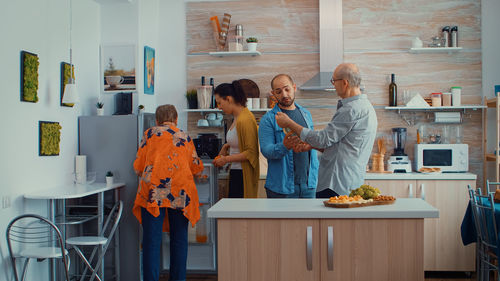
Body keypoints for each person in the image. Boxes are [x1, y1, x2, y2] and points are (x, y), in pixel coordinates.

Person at [275, 63, 377, 198]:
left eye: (334, 81)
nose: (333, 85)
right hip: (349, 181)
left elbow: (323, 139)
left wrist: (289, 123)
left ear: (345, 83)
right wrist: (312, 146)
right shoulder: (366, 107)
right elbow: (342, 146)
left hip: (336, 183)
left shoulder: (351, 109)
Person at [133, 104, 204, 281]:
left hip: (155, 192)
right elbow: (196, 167)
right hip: (180, 192)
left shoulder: (149, 134)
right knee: (179, 241)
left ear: (157, 120)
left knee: (151, 241)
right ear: (176, 120)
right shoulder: (184, 136)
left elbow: (138, 167)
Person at [258, 74, 319, 198]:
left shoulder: (306, 114)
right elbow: (266, 150)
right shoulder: (268, 119)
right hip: (281, 188)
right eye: (278, 91)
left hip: (309, 186)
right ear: (273, 93)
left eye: (287, 89)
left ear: (294, 87)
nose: (284, 95)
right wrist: (284, 146)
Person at [213, 81, 260, 198]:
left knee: (240, 213)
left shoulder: (245, 119)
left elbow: (251, 152)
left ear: (228, 99)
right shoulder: (237, 117)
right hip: (236, 171)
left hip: (243, 175)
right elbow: (238, 141)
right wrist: (226, 146)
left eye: (219, 103)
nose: (219, 107)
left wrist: (226, 159)